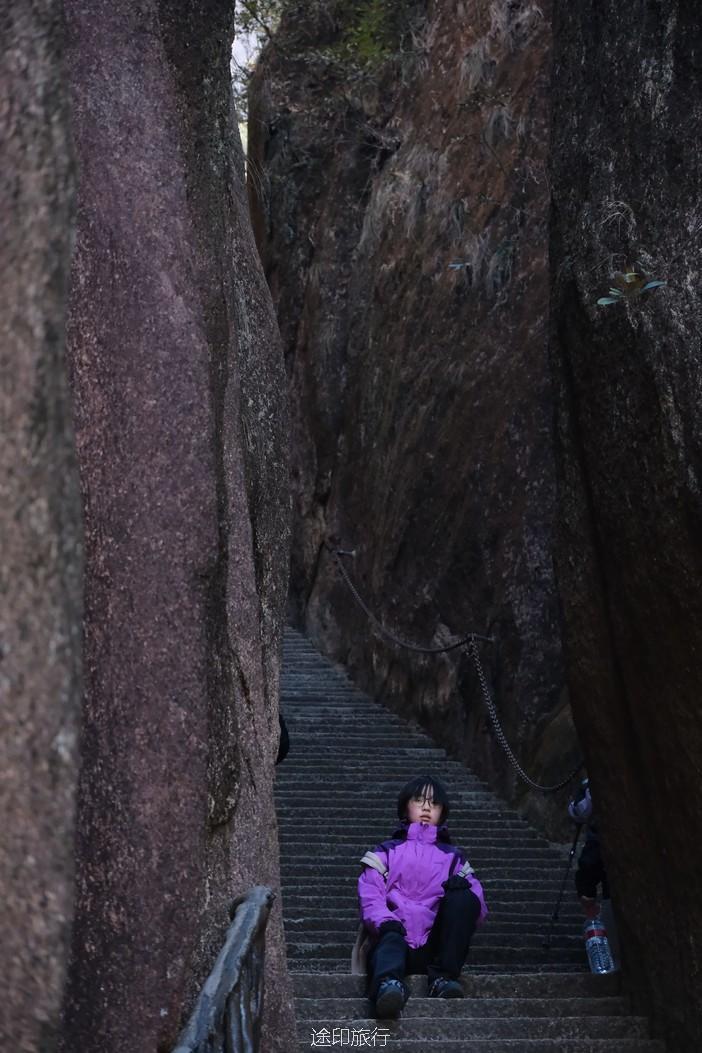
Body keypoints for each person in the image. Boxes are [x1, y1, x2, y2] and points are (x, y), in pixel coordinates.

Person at [353, 774, 488, 1019]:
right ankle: (388, 987)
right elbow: (370, 895)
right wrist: (385, 921)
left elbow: (477, 909)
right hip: (394, 937)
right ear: (405, 806)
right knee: (390, 940)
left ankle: (443, 979)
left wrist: (463, 891)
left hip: (433, 945)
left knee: (465, 897)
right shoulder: (385, 851)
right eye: (419, 800)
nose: (426, 808)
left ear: (442, 812)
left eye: (434, 803)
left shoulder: (454, 859)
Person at [568, 777, 608, 920]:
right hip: (597, 842)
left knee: (587, 876)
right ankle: (595, 919)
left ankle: (594, 919)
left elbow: (581, 811)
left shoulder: (589, 784)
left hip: (597, 843)